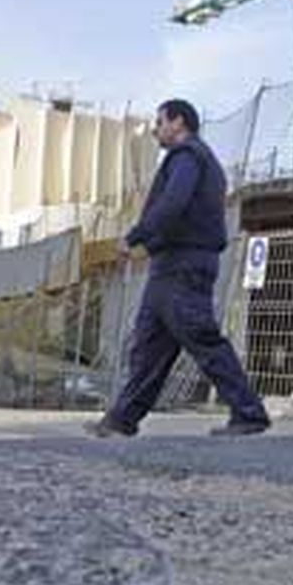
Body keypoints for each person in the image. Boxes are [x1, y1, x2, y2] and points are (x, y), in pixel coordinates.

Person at [88, 99, 272, 438]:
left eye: (160, 123)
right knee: (150, 348)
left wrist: (135, 237)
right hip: (170, 265)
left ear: (178, 122)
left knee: (202, 338)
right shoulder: (203, 161)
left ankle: (249, 412)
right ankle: (121, 419)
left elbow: (173, 202)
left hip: (182, 265)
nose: (156, 131)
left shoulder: (188, 157)